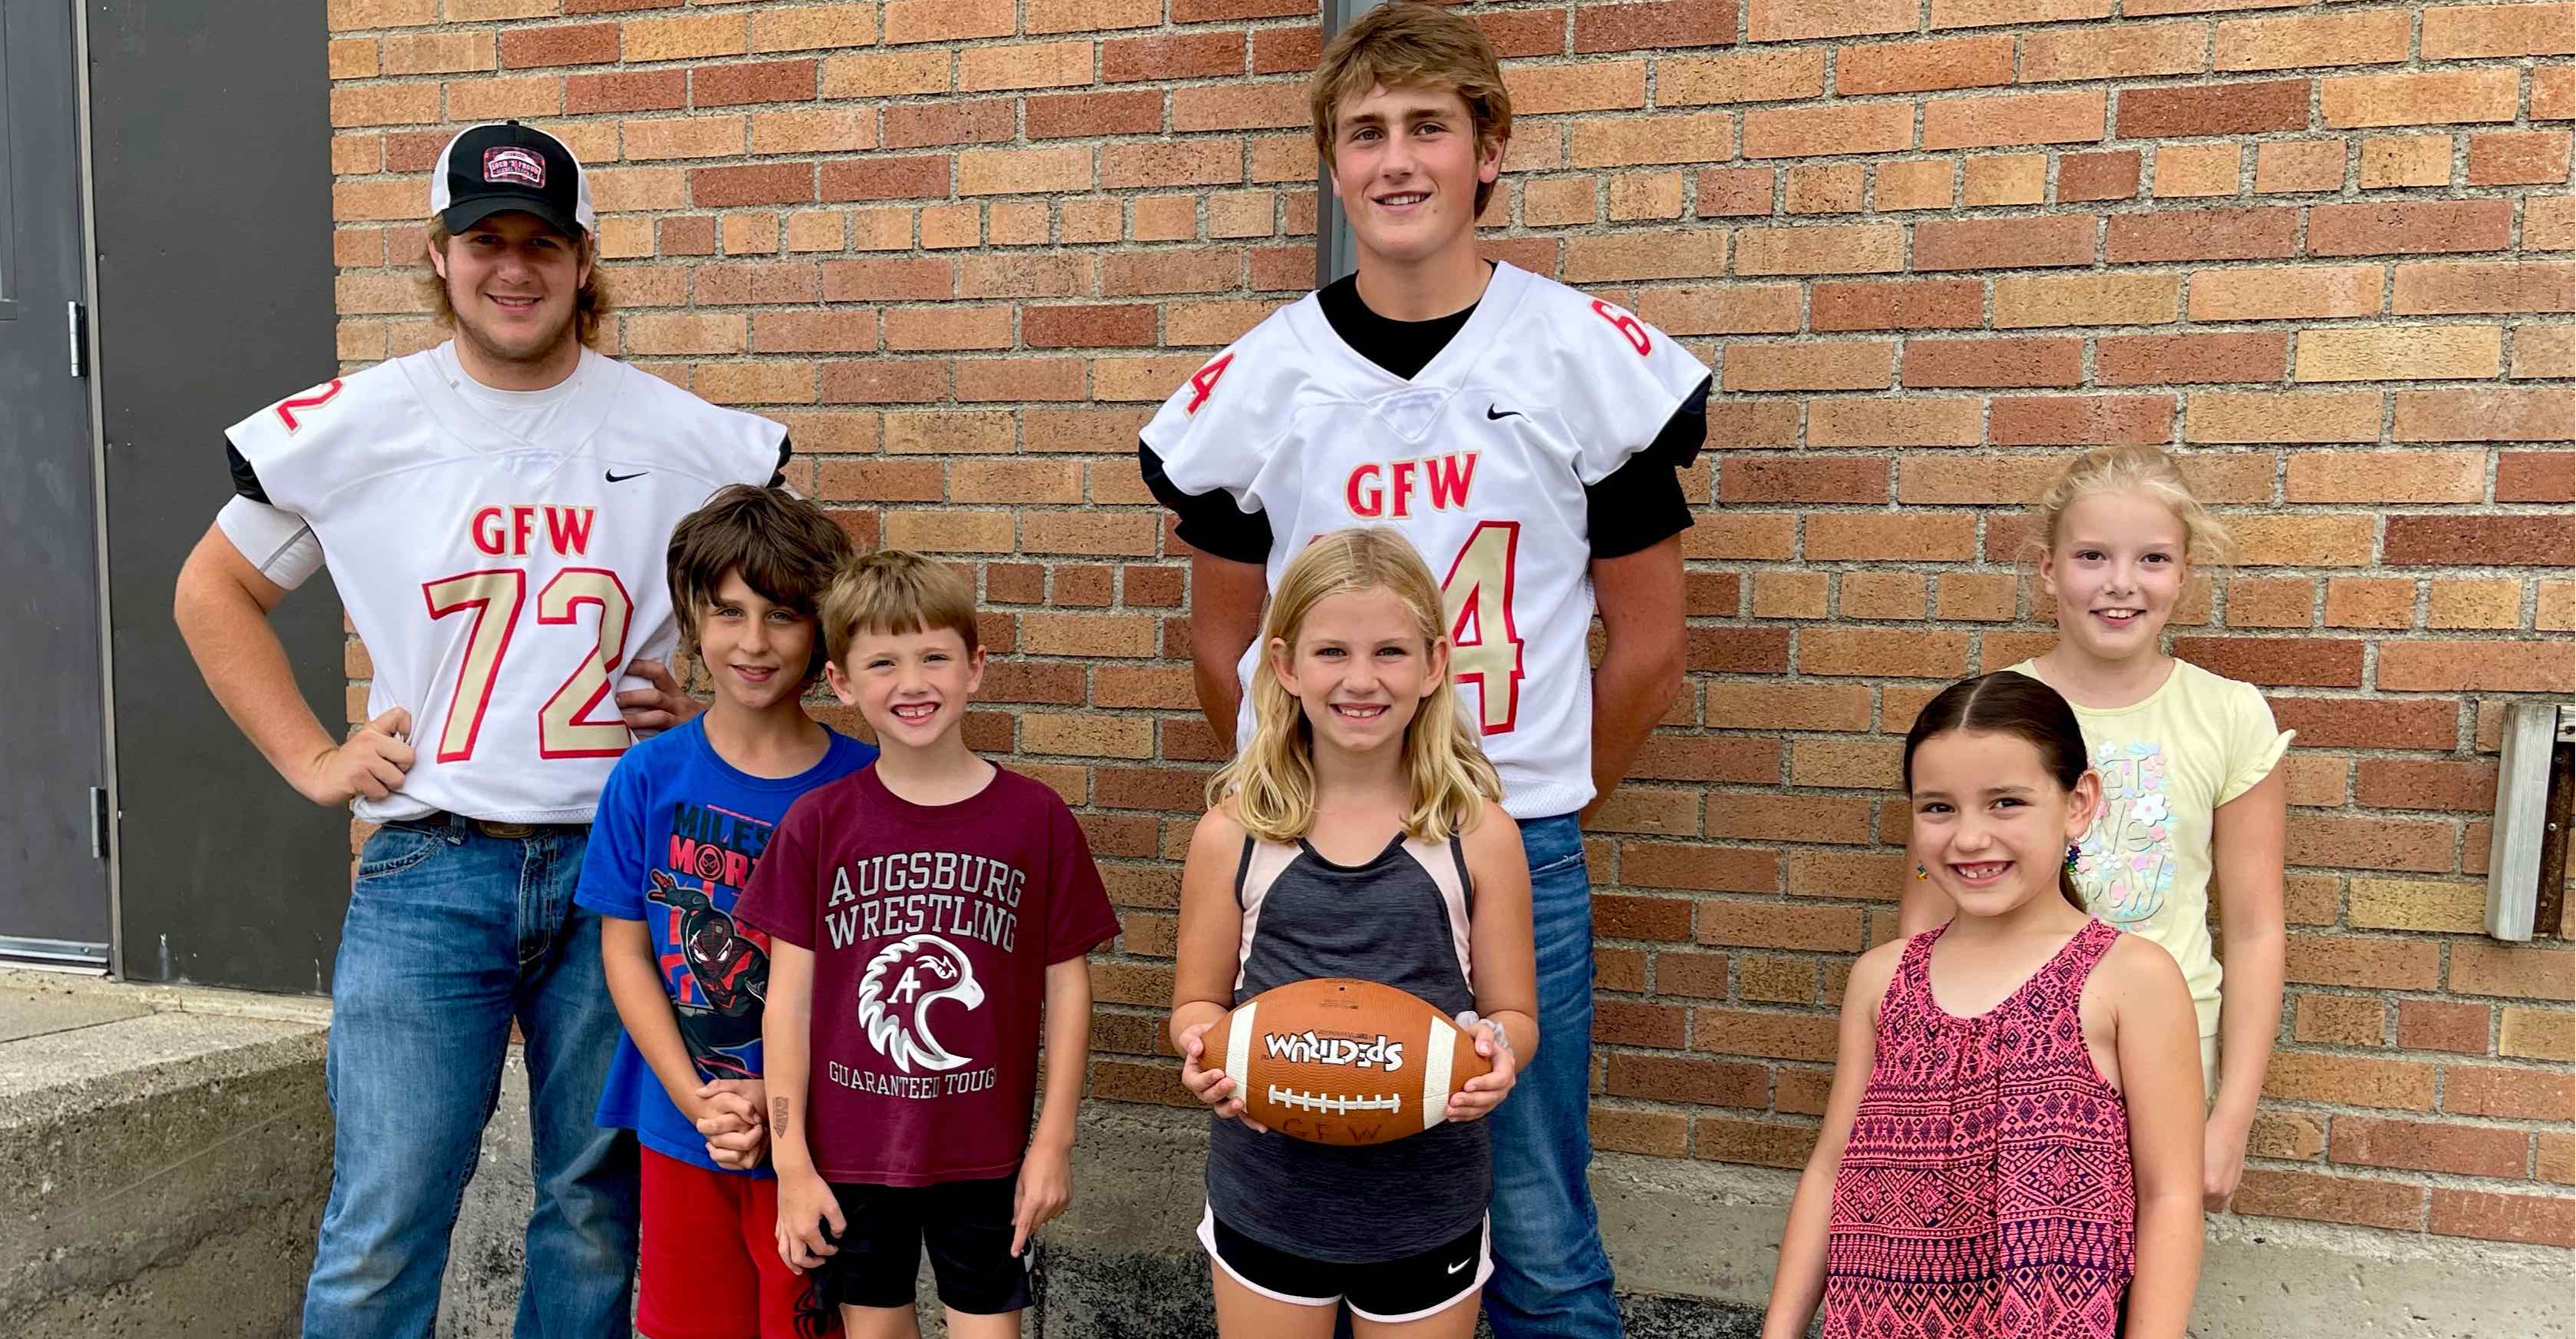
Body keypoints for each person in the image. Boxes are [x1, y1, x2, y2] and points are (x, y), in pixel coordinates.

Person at [1137, 6, 1710, 1331]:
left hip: (1506, 844)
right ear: (1333, 167)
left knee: (1536, 1216)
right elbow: (1223, 646)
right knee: (1302, 1177)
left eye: (1428, 129)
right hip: (1306, 851)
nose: (1396, 161)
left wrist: (1530, 807)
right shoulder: (1266, 375)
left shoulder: (1574, 352)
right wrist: (1286, 800)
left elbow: (1650, 644)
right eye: (1365, 133)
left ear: (1488, 151)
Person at [171, 120, 791, 1337]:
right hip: (430, 859)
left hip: (625, 869)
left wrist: (711, 701)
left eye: (543, 243)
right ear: (440, 254)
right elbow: (213, 589)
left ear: (584, 259)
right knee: (385, 1212)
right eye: (486, 240)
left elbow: (767, 614)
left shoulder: (685, 435)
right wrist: (313, 756)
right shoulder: (359, 423)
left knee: (596, 1203)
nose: (515, 267)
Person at [738, 550, 1122, 1339]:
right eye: (883, 663)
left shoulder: (1034, 819)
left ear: (973, 668)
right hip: (849, 1154)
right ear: (843, 682)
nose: (911, 684)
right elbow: (788, 1003)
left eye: (933, 657)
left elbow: (1068, 986)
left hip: (984, 1153)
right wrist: (793, 1163)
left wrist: (1052, 1142)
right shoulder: (818, 824)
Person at [1169, 528, 1539, 1338]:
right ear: (1284, 665)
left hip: (1425, 1203)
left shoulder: (1476, 834)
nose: (1361, 680)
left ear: (1436, 664)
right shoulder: (1233, 833)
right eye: (1332, 651)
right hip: (1267, 1198)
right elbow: (1194, 1003)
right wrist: (1207, 1055)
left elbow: (1514, 1015)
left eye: (1390, 653)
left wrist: (1496, 1058)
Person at [1898, 446, 2289, 1209]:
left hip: (2162, 1051)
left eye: (2150, 558)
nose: (2119, 583)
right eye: (2090, 556)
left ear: (2182, 573)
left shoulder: (2227, 714)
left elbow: (2252, 929)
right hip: (1995, 1039)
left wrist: (2232, 1118)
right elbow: (1927, 904)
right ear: (2047, 569)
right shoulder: (1993, 707)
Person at [1765, 672, 2206, 1339]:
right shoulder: (1881, 979)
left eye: (2005, 802)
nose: (1969, 838)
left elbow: (2171, 1197)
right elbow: (1831, 1166)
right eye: (1938, 808)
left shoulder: (2130, 978)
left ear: (2078, 801)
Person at [577, 485, 874, 1339]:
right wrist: (699, 1098)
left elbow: (863, 982)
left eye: (781, 615)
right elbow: (626, 953)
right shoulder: (646, 777)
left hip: (819, 1140)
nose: (752, 642)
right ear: (692, 623)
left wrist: (783, 1104)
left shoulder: (863, 788)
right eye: (728, 613)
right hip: (684, 1127)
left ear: (820, 628)